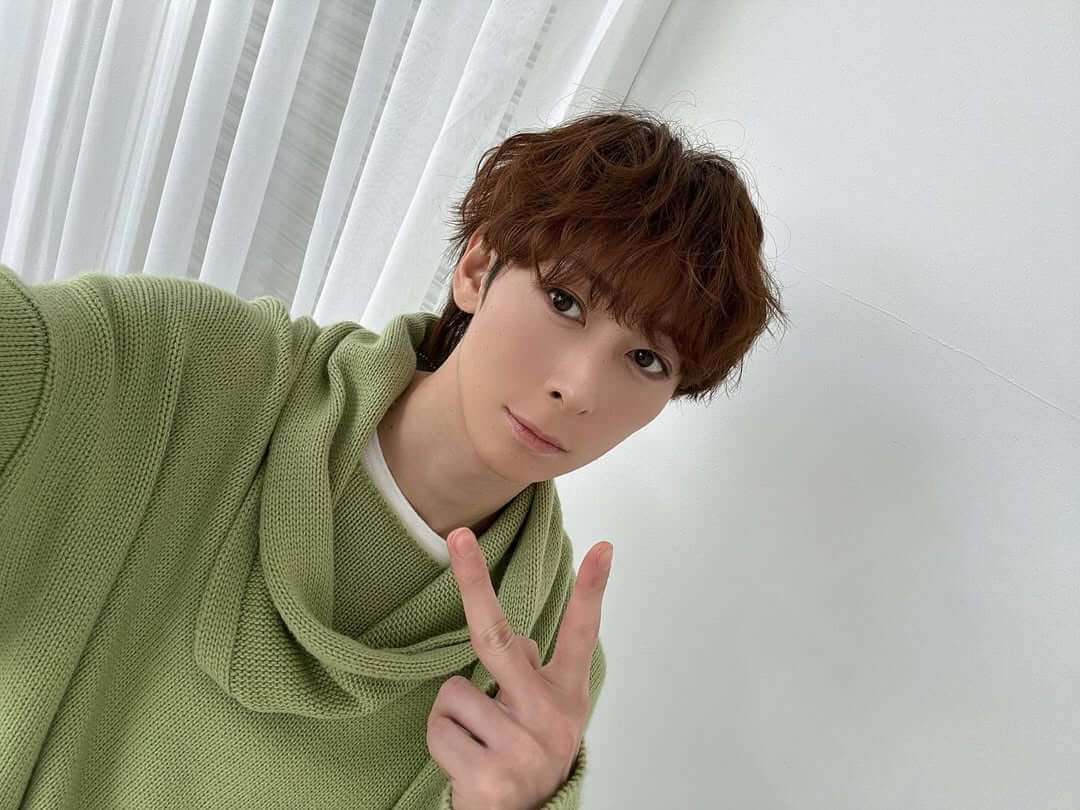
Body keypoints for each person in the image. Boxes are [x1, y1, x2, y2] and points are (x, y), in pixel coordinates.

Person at [0, 107, 787, 809]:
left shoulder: (536, 674)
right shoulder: (182, 369)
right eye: (564, 301)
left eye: (646, 359)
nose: (577, 388)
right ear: (476, 270)